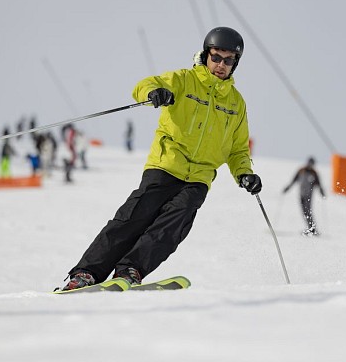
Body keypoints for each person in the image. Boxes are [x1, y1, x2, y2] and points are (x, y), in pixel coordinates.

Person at [61, 27, 261, 290]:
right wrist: (154, 93)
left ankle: (131, 270)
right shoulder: (183, 80)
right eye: (216, 57)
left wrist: (244, 173)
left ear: (235, 63)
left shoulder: (236, 103)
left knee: (171, 228)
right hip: (166, 165)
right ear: (206, 55)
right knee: (132, 219)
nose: (221, 65)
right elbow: (143, 86)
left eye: (228, 60)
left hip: (198, 178)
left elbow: (237, 149)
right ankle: (86, 274)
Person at [283, 157, 326, 235]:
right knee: (304, 212)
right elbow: (294, 180)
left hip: (308, 196)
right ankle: (311, 228)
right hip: (301, 194)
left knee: (308, 212)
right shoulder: (301, 170)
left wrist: (321, 191)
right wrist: (288, 188)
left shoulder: (314, 173)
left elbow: (318, 184)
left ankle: (312, 229)